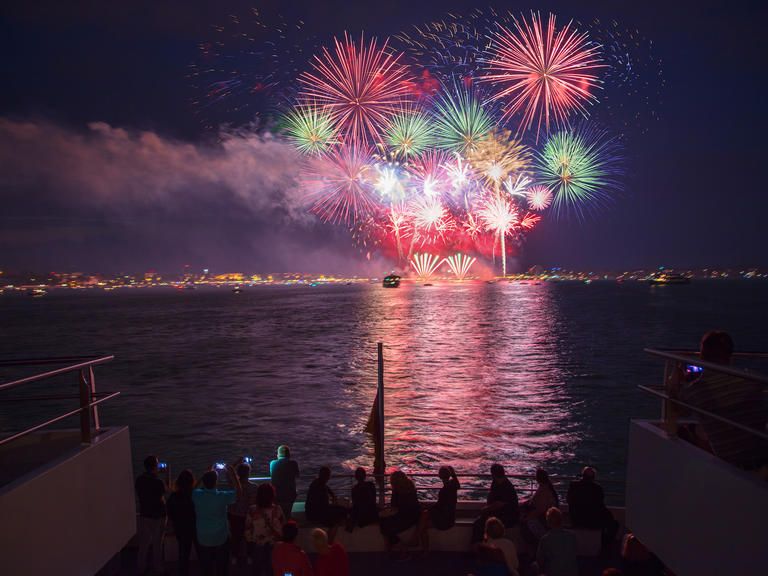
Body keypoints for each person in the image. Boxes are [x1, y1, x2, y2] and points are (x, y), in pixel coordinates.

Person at [669, 330, 768, 471]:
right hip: (762, 457)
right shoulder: (752, 379)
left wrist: (676, 381)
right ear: (730, 355)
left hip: (733, 463)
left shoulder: (697, 389)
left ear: (702, 355)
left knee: (683, 432)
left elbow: (676, 409)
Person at [193, 466, 240, 576]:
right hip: (221, 537)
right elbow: (239, 493)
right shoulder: (222, 496)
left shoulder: (197, 495)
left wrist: (205, 473)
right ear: (216, 482)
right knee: (222, 568)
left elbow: (194, 488)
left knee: (206, 568)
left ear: (203, 482)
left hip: (203, 536)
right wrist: (232, 473)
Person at [566, 467, 618, 551]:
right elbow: (600, 506)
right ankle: (605, 548)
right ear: (593, 477)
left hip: (576, 519)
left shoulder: (573, 485)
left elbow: (568, 500)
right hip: (592, 520)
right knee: (614, 524)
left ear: (582, 476)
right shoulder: (597, 488)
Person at [135, 455, 167, 576]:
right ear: (154, 466)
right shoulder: (158, 482)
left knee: (143, 544)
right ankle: (158, 569)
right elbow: (166, 490)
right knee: (157, 544)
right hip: (158, 516)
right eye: (157, 464)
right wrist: (166, 474)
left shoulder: (139, 480)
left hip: (144, 515)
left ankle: (141, 568)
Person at [245, 483, 285, 576]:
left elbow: (247, 530)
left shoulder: (252, 510)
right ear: (272, 495)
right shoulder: (277, 509)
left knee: (256, 570)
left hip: (257, 546)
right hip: (274, 546)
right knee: (272, 570)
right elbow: (283, 528)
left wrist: (251, 542)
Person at [472, 464, 519, 543]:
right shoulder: (496, 482)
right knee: (480, 522)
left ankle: (479, 546)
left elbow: (499, 504)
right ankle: (481, 545)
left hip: (507, 515)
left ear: (493, 474)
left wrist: (486, 509)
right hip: (498, 512)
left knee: (479, 524)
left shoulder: (506, 486)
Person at [415, 465, 459, 549]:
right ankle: (419, 542)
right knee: (424, 520)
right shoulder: (453, 485)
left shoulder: (444, 490)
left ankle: (417, 541)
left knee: (423, 518)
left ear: (439, 476)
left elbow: (439, 506)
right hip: (450, 517)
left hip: (444, 520)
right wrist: (453, 473)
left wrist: (427, 507)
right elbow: (457, 483)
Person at [229, 459, 259, 568]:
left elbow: (229, 471)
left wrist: (237, 461)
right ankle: (249, 557)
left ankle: (234, 557)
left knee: (235, 538)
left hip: (234, 515)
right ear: (249, 473)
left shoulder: (232, 485)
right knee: (249, 538)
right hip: (248, 516)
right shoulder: (254, 487)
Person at [379, 470, 421, 549]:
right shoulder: (411, 488)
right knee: (386, 523)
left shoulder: (396, 491)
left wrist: (385, 513)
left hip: (404, 518)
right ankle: (395, 545)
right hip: (415, 516)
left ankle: (398, 545)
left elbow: (394, 508)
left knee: (384, 524)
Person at [305, 466, 348, 542]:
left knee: (340, 509)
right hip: (317, 514)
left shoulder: (316, 482)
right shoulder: (321, 488)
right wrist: (335, 505)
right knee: (340, 515)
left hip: (311, 511)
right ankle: (329, 541)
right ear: (326, 476)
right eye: (329, 476)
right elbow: (324, 506)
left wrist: (332, 494)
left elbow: (326, 487)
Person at [167, 469, 197, 576]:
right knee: (201, 551)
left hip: (180, 528)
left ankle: (183, 572)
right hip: (195, 527)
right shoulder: (196, 495)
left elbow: (170, 513)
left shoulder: (174, 497)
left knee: (183, 553)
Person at [536, 507, 578, 576]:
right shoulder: (572, 535)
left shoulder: (545, 539)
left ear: (548, 522)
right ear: (561, 520)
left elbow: (540, 560)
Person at [522, 469, 559, 543]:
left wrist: (528, 517)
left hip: (542, 519)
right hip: (543, 516)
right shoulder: (545, 487)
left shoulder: (544, 490)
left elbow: (541, 509)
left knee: (524, 526)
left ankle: (534, 548)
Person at [270, 445, 300, 519]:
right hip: (290, 494)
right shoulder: (294, 463)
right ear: (289, 455)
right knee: (287, 513)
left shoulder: (272, 463)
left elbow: (272, 475)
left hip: (277, 495)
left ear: (278, 455)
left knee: (278, 515)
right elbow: (297, 475)